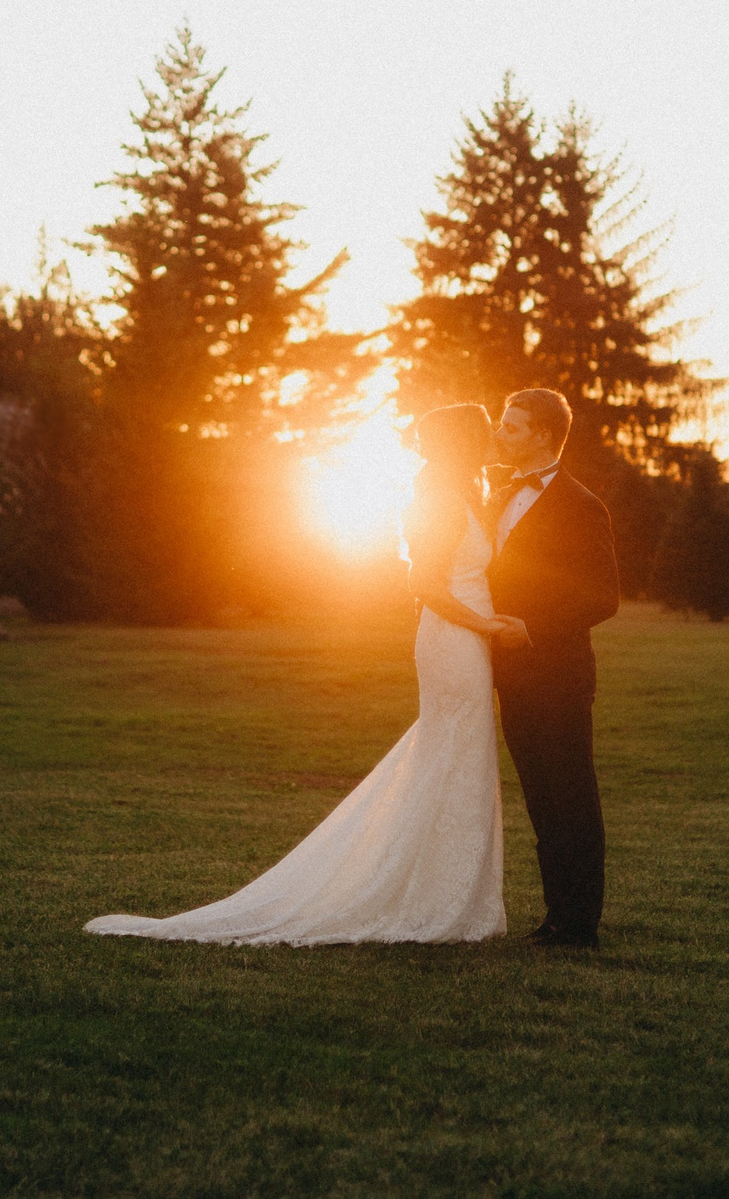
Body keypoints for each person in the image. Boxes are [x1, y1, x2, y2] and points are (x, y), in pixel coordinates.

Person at [84, 403, 522, 945]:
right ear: (464, 443)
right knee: (451, 749)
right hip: (454, 639)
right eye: (485, 432)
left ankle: (445, 891)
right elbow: (425, 585)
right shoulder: (437, 502)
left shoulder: (467, 494)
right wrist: (485, 625)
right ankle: (427, 897)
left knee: (459, 754)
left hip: (469, 638)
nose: (493, 439)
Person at [486, 387, 620, 947]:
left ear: (543, 435)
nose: (499, 435)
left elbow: (603, 597)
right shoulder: (498, 495)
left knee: (571, 797)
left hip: (559, 675)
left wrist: (532, 629)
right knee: (540, 798)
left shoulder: (581, 505)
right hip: (510, 676)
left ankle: (580, 923)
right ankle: (555, 915)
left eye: (511, 427)